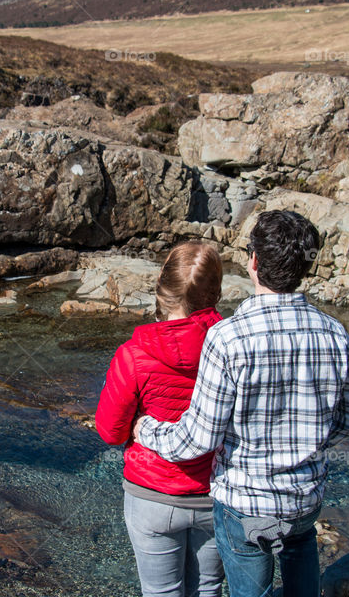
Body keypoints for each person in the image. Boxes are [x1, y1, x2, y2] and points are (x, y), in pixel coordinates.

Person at [133, 210, 349, 597]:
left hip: (245, 502)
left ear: (253, 263)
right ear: (305, 268)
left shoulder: (228, 338)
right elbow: (348, 421)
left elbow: (198, 439)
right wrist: (306, 445)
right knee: (302, 569)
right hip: (305, 499)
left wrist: (147, 430)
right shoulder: (335, 334)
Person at [96, 240, 227, 597]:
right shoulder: (233, 346)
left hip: (152, 493)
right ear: (216, 292)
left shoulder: (133, 354)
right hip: (215, 491)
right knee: (208, 589)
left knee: (161, 592)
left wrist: (140, 423)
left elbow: (109, 431)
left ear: (161, 289)